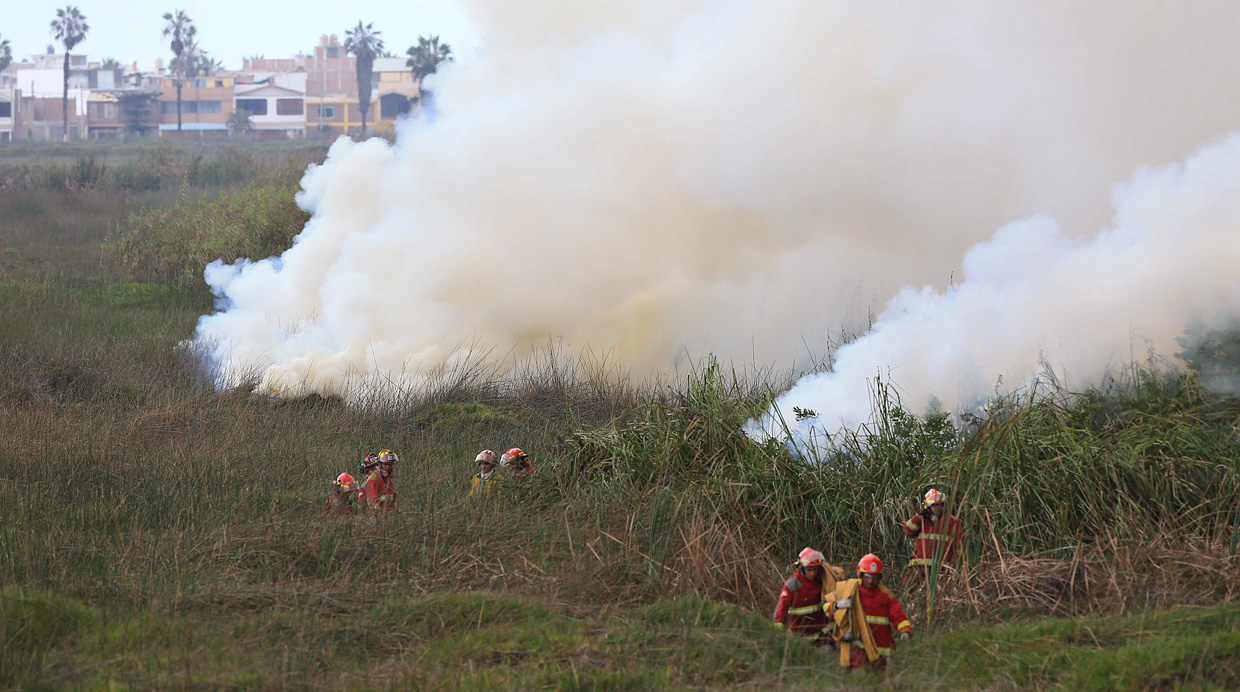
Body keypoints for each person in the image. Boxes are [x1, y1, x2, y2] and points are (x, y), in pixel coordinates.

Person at [826, 553, 912, 671]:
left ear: (879, 577)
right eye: (867, 577)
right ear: (860, 575)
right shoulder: (849, 590)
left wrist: (905, 631)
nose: (871, 581)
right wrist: (838, 605)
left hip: (881, 648)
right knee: (859, 676)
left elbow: (899, 616)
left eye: (874, 577)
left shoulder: (886, 596)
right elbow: (826, 606)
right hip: (859, 646)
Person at [772, 547, 845, 646]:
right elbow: (781, 608)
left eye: (815, 569)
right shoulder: (793, 584)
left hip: (822, 636)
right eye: (809, 570)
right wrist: (778, 634)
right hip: (797, 638)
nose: (812, 573)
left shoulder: (823, 581)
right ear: (801, 568)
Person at [902, 488, 964, 586]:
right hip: (920, 566)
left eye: (939, 505)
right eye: (933, 505)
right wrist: (918, 517)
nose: (936, 508)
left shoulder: (952, 522)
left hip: (942, 568)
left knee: (941, 595)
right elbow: (908, 530)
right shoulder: (921, 520)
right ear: (927, 506)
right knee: (909, 589)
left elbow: (960, 545)